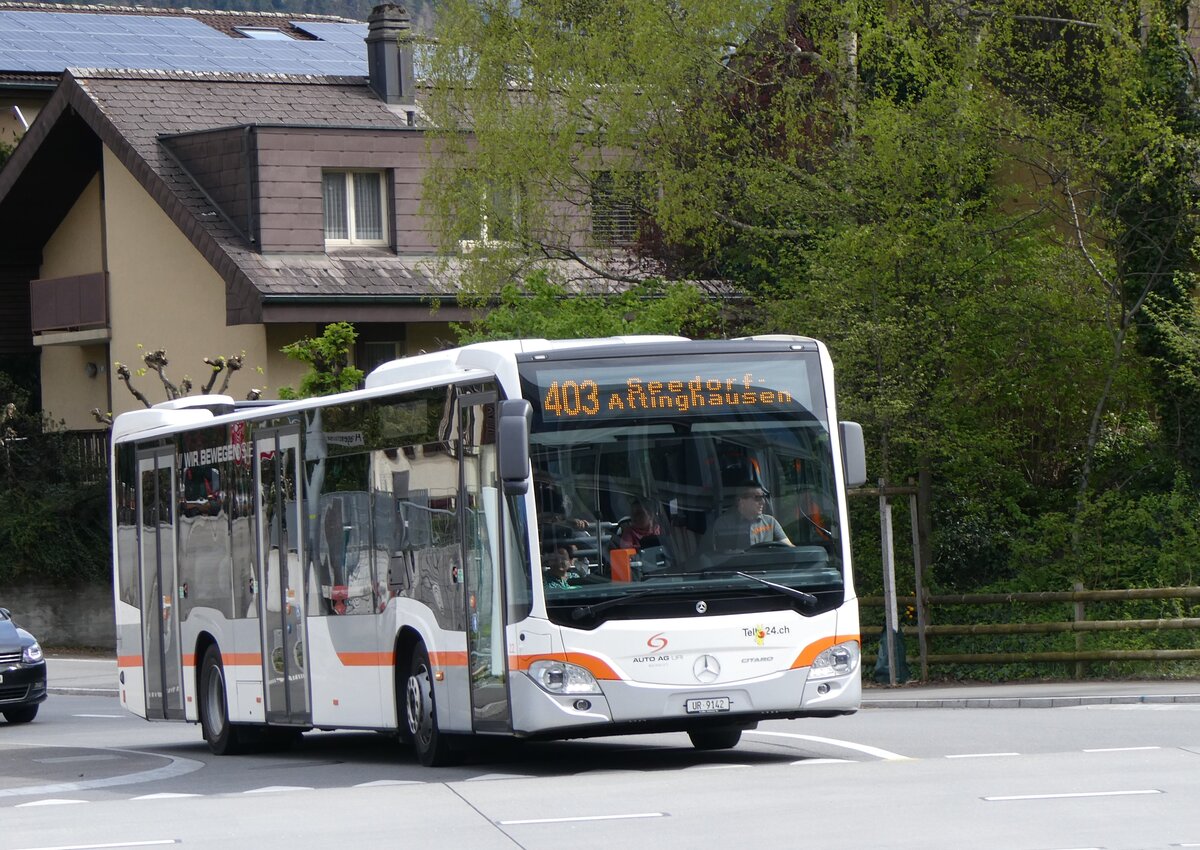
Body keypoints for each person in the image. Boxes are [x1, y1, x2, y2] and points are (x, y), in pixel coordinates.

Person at [705, 481, 793, 552]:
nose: (763, 502)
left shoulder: (770, 522)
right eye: (757, 498)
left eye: (763, 497)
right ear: (741, 501)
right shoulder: (724, 524)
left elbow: (789, 548)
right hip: (737, 568)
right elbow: (717, 556)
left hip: (766, 567)